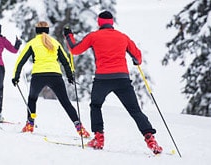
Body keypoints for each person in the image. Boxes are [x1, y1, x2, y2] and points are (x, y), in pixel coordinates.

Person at [64, 11, 163, 154]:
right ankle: (150, 140)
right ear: (112, 23)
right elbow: (138, 58)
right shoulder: (123, 37)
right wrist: (135, 60)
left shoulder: (93, 36)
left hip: (102, 79)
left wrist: (69, 36)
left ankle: (99, 138)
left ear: (99, 22)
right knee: (135, 110)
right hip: (122, 79)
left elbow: (74, 50)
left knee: (96, 105)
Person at [12, 21, 90, 138]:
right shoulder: (55, 43)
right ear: (48, 31)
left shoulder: (32, 43)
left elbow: (20, 61)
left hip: (38, 76)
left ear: (36, 31)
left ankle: (30, 124)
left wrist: (16, 76)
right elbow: (65, 61)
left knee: (32, 99)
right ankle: (80, 128)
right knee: (65, 102)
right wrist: (70, 76)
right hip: (55, 75)